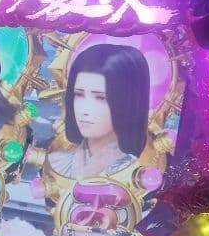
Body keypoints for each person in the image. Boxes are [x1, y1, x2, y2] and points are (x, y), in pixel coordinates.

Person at [48, 43, 150, 180]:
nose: (85, 110)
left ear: (128, 102)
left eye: (100, 98)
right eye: (79, 94)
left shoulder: (140, 175)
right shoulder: (56, 162)